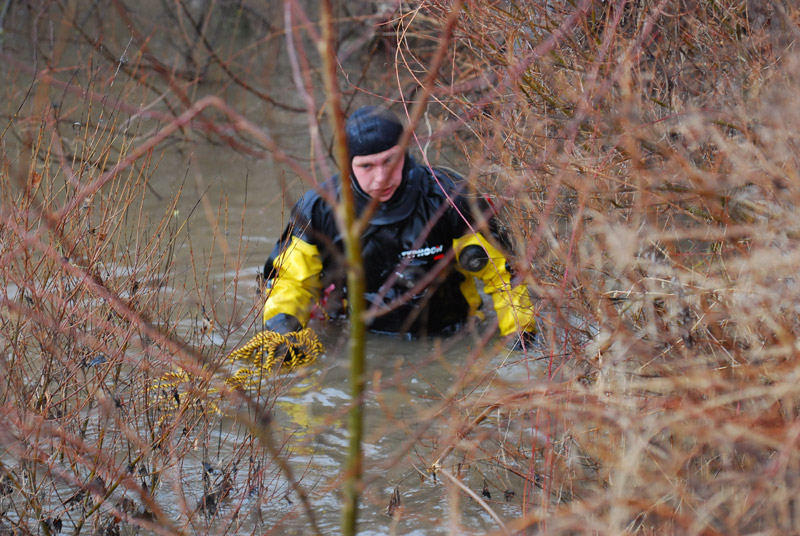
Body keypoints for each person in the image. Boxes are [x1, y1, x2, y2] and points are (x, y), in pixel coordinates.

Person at [261, 105, 535, 341]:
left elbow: (505, 277)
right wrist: (281, 334)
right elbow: (290, 283)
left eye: (390, 161)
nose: (382, 177)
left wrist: (521, 340)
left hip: (452, 336)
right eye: (367, 167)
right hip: (360, 341)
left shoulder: (451, 199)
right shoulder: (320, 211)